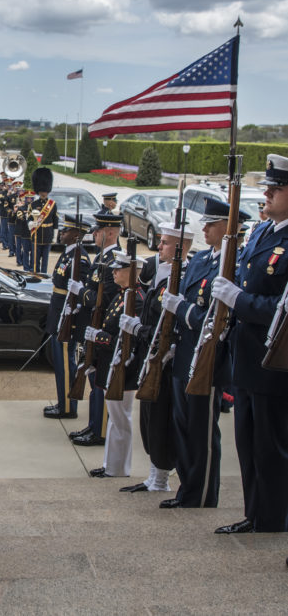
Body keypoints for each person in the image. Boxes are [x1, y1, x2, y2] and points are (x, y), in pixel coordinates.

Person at [209, 155, 288, 534]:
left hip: (274, 363)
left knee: (272, 448)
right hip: (246, 357)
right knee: (249, 446)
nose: (267, 193)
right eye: (268, 187)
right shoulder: (262, 233)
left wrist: (237, 300)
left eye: (276, 188)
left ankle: (274, 519)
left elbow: (281, 307)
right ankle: (255, 513)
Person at [160, 199, 242, 511]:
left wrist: (180, 308)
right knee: (184, 428)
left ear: (227, 227)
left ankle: (203, 493)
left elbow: (214, 316)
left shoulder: (230, 264)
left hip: (206, 358)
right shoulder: (202, 259)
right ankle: (188, 488)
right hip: (185, 355)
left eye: (211, 224)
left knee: (201, 432)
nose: (204, 228)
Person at [118, 221, 189, 495]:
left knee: (160, 421)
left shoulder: (180, 276)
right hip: (151, 355)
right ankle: (153, 475)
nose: (159, 246)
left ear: (180, 247)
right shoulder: (159, 271)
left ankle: (161, 477)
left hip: (165, 361)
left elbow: (169, 326)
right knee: (148, 421)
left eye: (166, 242)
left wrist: (140, 329)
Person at [84, 251, 145, 479]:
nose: (114, 272)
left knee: (121, 419)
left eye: (118, 269)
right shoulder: (123, 296)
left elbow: (130, 342)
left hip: (123, 368)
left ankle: (119, 469)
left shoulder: (136, 299)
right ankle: (111, 465)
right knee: (115, 419)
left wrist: (98, 337)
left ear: (131, 272)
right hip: (111, 365)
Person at [67, 210, 123, 447]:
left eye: (98, 231)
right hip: (91, 326)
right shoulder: (102, 258)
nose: (94, 234)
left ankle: (100, 431)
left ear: (110, 233)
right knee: (91, 378)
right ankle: (93, 425)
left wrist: (80, 292)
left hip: (102, 328)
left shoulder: (114, 262)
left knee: (99, 381)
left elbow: (104, 298)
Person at [43, 215, 90, 421]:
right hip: (58, 312)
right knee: (60, 363)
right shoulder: (68, 254)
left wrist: (72, 314)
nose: (61, 233)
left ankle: (68, 407)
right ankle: (63, 402)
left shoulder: (80, 258)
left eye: (66, 230)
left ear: (77, 235)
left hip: (66, 317)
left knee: (65, 363)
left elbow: (81, 294)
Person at [28, 178, 57, 275]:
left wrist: (55, 236)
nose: (43, 193)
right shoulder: (33, 204)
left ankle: (43, 276)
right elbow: (28, 218)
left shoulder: (52, 205)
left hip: (48, 234)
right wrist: (32, 224)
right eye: (42, 191)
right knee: (35, 261)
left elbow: (55, 220)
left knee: (45, 261)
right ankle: (35, 275)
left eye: (45, 191)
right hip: (37, 234)